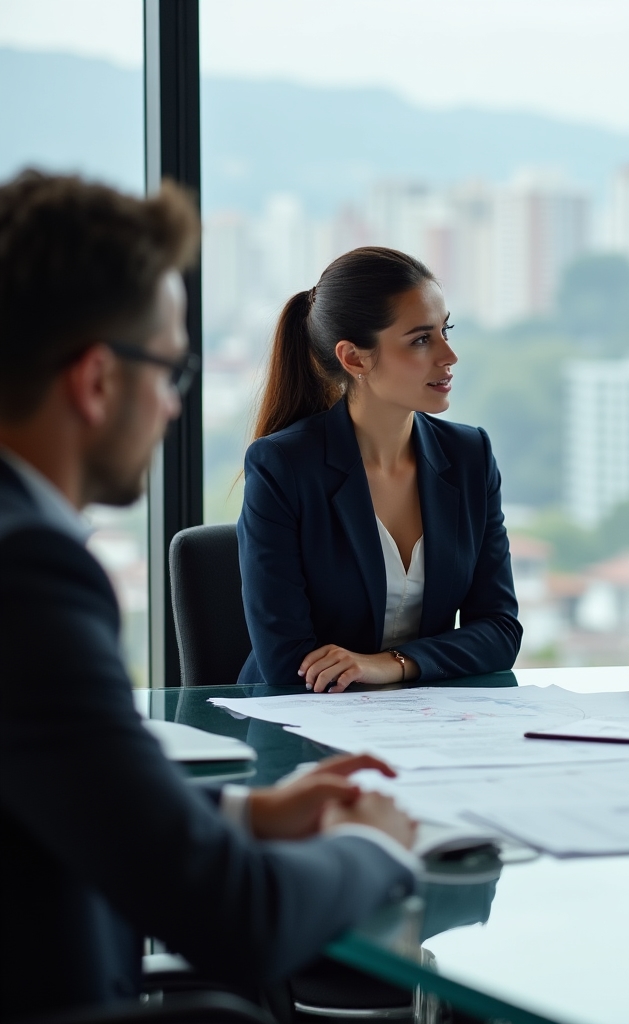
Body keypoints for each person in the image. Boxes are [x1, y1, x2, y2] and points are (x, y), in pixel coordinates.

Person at [0, 171, 421, 1022]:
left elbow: (60, 782)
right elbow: (240, 920)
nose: (170, 404)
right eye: (170, 369)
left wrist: (244, 809)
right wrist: (379, 848)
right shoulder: (29, 575)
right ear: (94, 382)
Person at [237, 246, 521, 691]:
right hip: (300, 725)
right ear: (354, 358)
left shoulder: (470, 456)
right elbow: (285, 660)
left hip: (429, 725)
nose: (449, 355)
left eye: (445, 330)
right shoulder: (283, 466)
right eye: (421, 339)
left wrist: (392, 663)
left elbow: (500, 631)